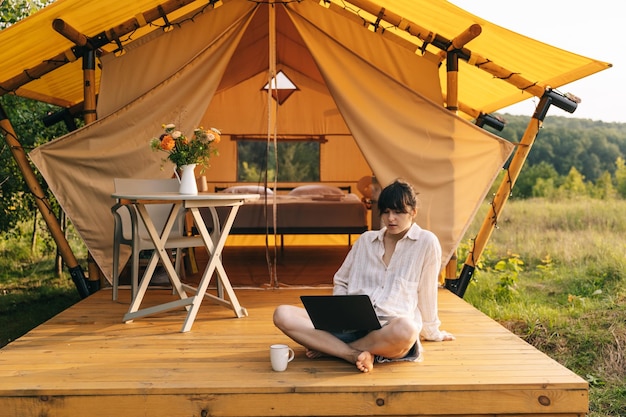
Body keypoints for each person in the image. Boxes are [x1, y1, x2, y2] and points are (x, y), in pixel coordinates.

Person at [273, 178, 455, 373]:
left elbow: (427, 293)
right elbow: (341, 280)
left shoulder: (426, 242)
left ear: (413, 212)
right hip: (349, 324)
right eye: (386, 212)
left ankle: (332, 349)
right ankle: (354, 353)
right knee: (283, 314)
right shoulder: (366, 240)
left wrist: (432, 331)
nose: (391, 218)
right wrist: (340, 313)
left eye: (398, 212)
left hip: (388, 329)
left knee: (408, 330)